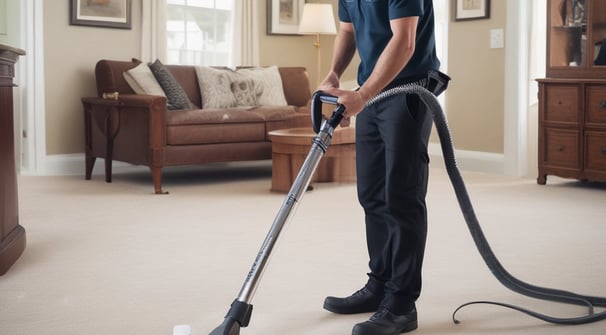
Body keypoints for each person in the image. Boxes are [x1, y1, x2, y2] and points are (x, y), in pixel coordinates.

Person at [318, 1, 441, 334]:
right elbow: (348, 30)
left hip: (408, 90)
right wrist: (334, 72)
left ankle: (401, 304)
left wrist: (364, 93)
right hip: (370, 92)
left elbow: (405, 40)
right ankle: (380, 286)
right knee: (372, 194)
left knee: (401, 195)